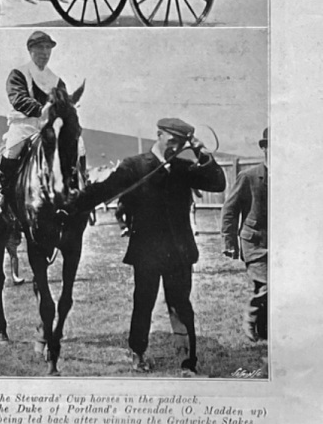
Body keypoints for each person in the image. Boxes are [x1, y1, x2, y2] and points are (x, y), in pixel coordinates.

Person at [67, 116, 226, 373]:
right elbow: (103, 190)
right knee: (144, 303)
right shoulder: (135, 166)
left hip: (179, 251)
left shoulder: (184, 168)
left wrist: (199, 148)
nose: (175, 146)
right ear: (160, 134)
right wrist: (69, 209)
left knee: (181, 305)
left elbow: (218, 183)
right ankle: (138, 351)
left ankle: (188, 360)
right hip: (147, 252)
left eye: (181, 142)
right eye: (172, 140)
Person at [0, 31, 64, 215]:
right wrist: (43, 110)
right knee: (12, 149)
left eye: (48, 48)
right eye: (40, 48)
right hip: (24, 124)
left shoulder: (56, 80)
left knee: (77, 147)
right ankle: (3, 192)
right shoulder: (19, 73)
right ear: (30, 50)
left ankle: (77, 187)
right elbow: (18, 99)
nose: (45, 52)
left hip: (48, 127)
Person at [221, 129, 268, 343]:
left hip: (279, 242)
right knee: (268, 285)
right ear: (264, 147)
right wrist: (229, 242)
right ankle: (250, 316)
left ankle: (264, 328)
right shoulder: (248, 176)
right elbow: (230, 210)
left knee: (267, 287)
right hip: (254, 241)